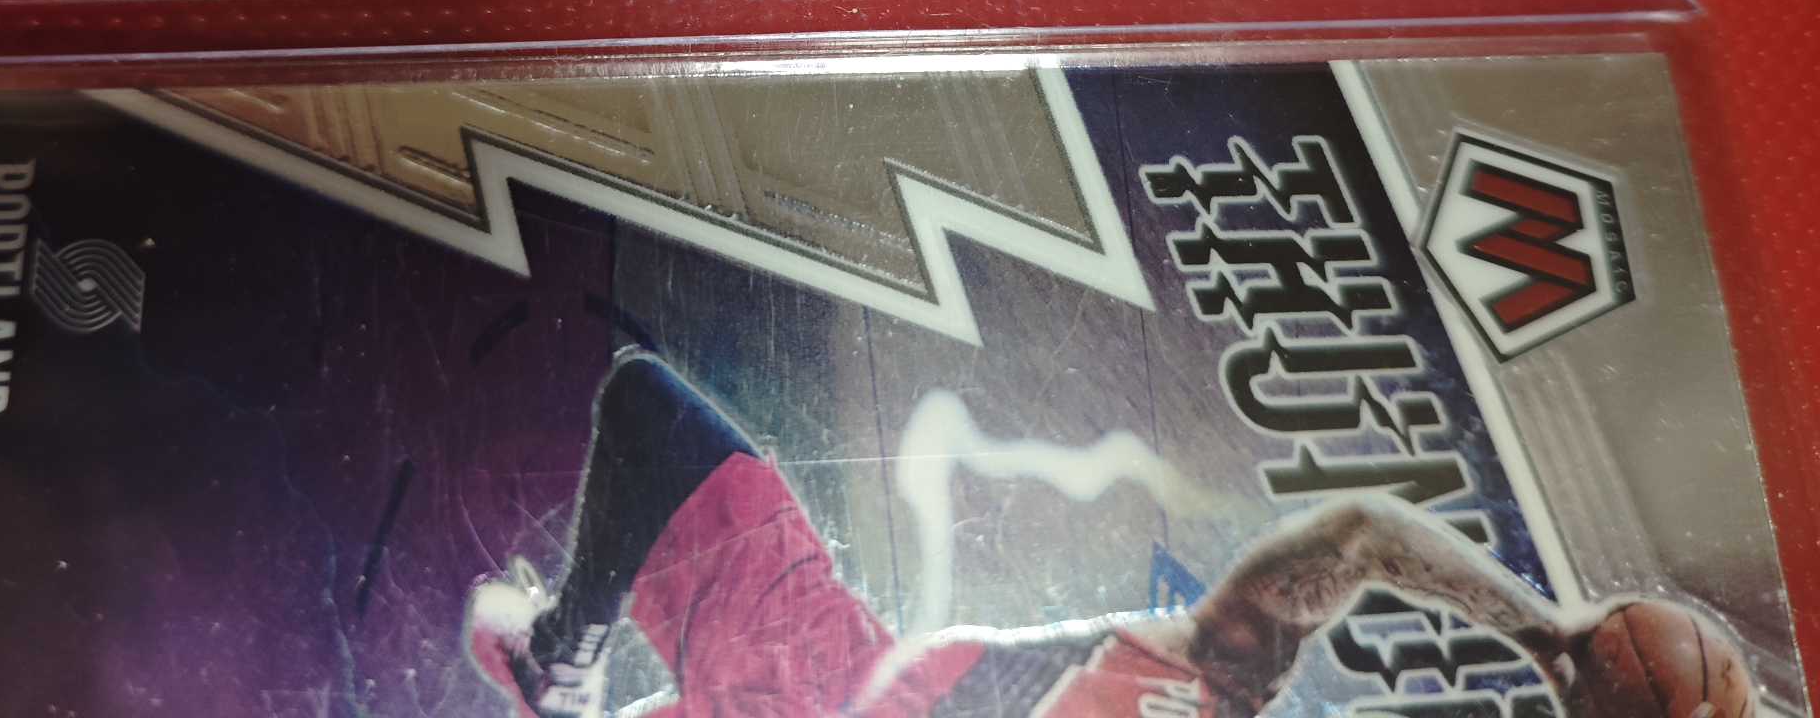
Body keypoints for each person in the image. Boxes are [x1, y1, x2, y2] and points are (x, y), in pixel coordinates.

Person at [466, 352, 1745, 718]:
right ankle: (565, 662)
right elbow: (1358, 532)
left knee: (648, 407)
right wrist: (1548, 632)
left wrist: (1549, 636)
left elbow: (1357, 536)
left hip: (826, 681)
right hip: (826, 673)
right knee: (647, 407)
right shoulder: (1209, 682)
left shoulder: (1206, 679)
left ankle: (565, 662)